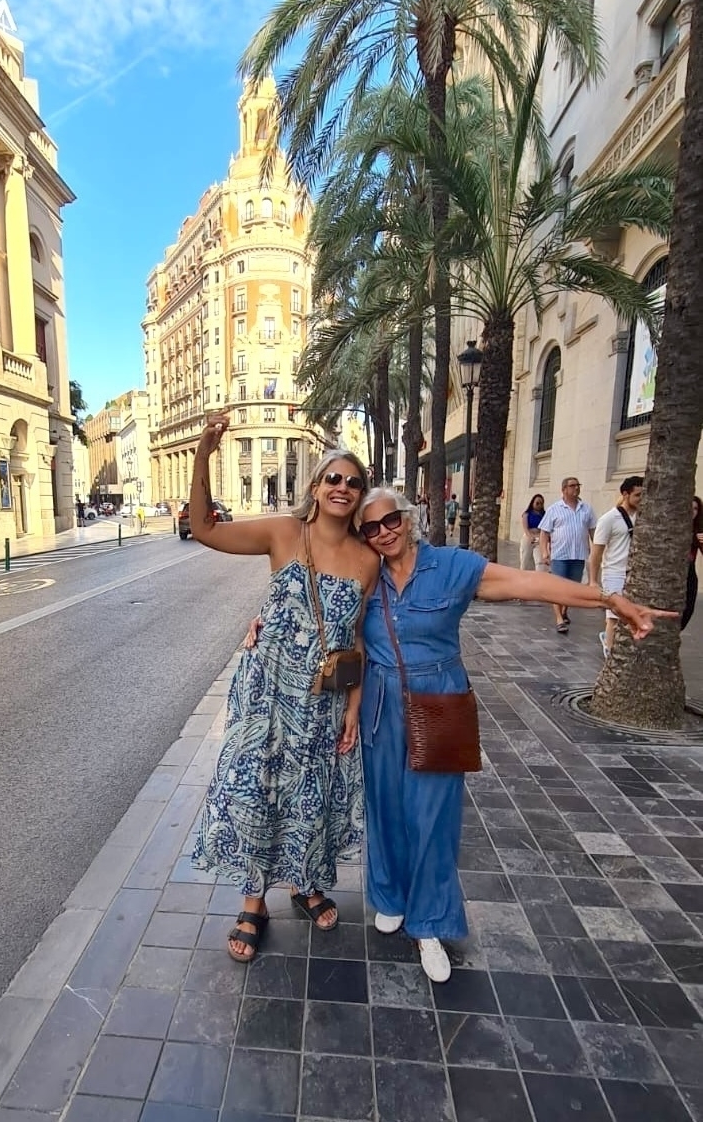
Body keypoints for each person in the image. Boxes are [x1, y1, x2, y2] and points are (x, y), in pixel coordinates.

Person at [357, 486, 676, 983]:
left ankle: (430, 922)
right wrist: (260, 620)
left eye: (390, 519)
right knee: (385, 806)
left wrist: (610, 599)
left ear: (408, 516)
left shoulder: (453, 567)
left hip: (438, 700)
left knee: (432, 817)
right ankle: (391, 895)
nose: (383, 532)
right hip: (379, 703)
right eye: (370, 527)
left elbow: (531, 583)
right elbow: (315, 604)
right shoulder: (364, 572)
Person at [190, 413, 378, 962]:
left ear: (360, 496)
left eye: (353, 482)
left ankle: (306, 883)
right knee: (257, 787)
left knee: (310, 792)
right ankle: (254, 902)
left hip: (322, 700)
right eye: (334, 479)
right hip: (266, 692)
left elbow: (358, 638)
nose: (343, 488)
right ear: (316, 487)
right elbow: (203, 528)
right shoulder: (282, 533)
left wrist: (354, 704)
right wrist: (204, 451)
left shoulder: (368, 561)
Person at [590, 475, 643, 658]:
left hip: (634, 573)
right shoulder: (608, 519)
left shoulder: (643, 518)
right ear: (626, 494)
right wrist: (592, 581)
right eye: (637, 495)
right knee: (614, 616)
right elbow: (596, 553)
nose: (641, 499)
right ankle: (610, 653)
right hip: (613, 573)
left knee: (628, 614)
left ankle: (613, 642)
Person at [538, 477, 597, 634]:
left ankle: (564, 611)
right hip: (560, 555)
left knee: (572, 587)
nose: (576, 488)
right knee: (558, 588)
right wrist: (544, 552)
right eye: (572, 486)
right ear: (564, 489)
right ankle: (559, 619)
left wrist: (597, 552)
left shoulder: (587, 509)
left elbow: (593, 532)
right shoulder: (554, 509)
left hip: (578, 554)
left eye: (578, 485)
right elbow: (544, 533)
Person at [681, 495, 703, 632]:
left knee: (688, 610)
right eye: (689, 508)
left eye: (695, 509)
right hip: (672, 574)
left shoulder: (698, 530)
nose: (692, 512)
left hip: (689, 573)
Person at [519, 494, 546, 571]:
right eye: (537, 503)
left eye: (541, 503)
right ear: (532, 503)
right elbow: (525, 527)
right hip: (528, 537)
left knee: (540, 561)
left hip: (539, 537)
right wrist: (530, 537)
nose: (539, 505)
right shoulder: (527, 514)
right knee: (525, 560)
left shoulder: (544, 515)